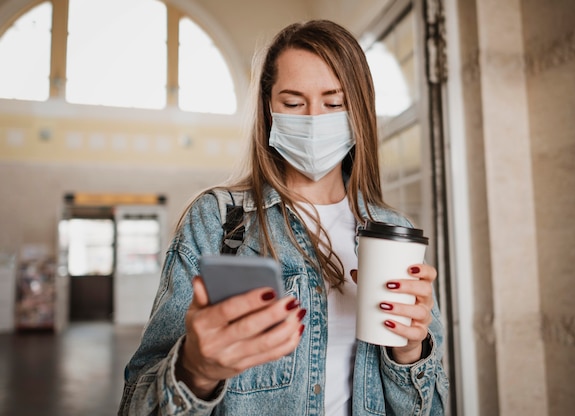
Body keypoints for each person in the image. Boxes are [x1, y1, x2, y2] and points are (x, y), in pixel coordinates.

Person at [118, 19, 448, 415]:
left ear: (359, 110)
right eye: (293, 103)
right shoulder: (219, 221)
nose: (313, 120)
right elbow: (136, 403)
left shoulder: (396, 234)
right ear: (269, 110)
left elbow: (429, 408)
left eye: (334, 102)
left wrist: (411, 352)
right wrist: (196, 371)